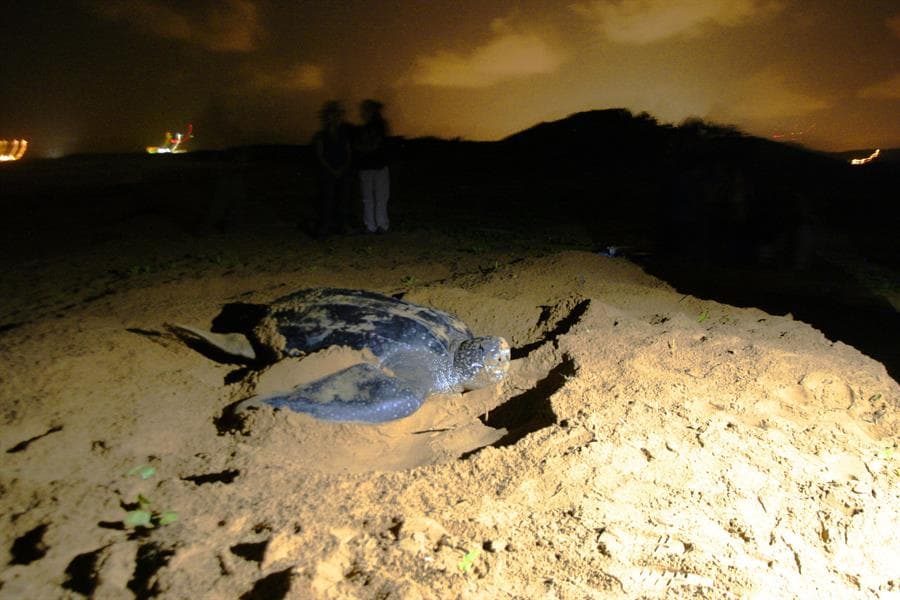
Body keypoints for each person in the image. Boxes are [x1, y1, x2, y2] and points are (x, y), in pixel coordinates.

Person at [311, 100, 353, 237]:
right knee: (327, 201)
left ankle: (342, 226)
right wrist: (332, 170)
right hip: (328, 174)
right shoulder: (320, 136)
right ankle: (324, 226)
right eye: (332, 115)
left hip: (342, 173)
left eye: (337, 115)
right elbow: (320, 155)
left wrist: (342, 169)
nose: (335, 118)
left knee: (343, 201)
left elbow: (349, 154)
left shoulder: (344, 135)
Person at [354, 99, 391, 234]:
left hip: (377, 166)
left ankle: (378, 225)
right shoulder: (369, 128)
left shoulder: (378, 127)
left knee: (377, 198)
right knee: (371, 198)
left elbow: (370, 145)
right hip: (370, 167)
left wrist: (364, 149)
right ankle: (373, 226)